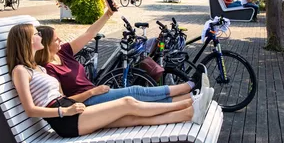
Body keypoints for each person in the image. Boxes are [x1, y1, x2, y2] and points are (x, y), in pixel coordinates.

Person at [6, 23, 215, 138]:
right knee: (129, 102)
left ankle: (187, 114)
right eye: (36, 35)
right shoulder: (20, 71)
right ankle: (190, 102)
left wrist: (74, 104)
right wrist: (65, 111)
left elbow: (61, 96)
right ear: (26, 41)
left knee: (131, 118)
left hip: (72, 110)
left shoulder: (40, 68)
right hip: (65, 120)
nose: (39, 38)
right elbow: (31, 109)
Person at [35, 24, 210, 106]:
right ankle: (190, 85)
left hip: (95, 93)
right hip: (88, 101)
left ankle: (192, 98)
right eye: (55, 39)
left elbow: (89, 33)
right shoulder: (48, 69)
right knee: (135, 92)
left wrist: (108, 14)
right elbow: (63, 101)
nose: (60, 40)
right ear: (44, 44)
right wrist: (93, 91)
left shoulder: (63, 52)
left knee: (140, 98)